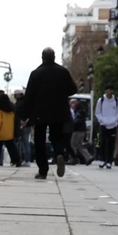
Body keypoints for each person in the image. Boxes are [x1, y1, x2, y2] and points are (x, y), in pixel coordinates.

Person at [23, 48, 79, 179]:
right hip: (58, 111)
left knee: (39, 141)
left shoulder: (35, 73)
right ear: (54, 57)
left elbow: (29, 96)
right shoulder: (63, 72)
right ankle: (59, 154)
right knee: (57, 137)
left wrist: (25, 115)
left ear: (42, 57)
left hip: (39, 113)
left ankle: (43, 170)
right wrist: (61, 93)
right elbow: (73, 89)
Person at [94, 87, 118, 169]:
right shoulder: (101, 100)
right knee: (103, 142)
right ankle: (102, 160)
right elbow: (98, 112)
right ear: (106, 91)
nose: (110, 91)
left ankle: (109, 161)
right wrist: (102, 120)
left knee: (111, 144)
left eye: (111, 90)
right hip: (104, 124)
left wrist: (115, 120)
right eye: (108, 90)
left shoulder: (117, 101)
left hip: (113, 125)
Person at [0, 91, 21, 167]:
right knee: (12, 148)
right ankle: (17, 161)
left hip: (0, 133)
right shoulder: (12, 110)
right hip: (9, 132)